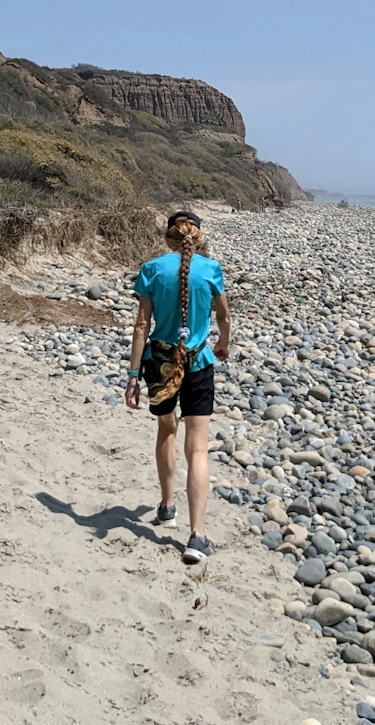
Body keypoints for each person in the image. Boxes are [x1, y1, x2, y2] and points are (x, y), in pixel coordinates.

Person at [125, 210, 230, 564]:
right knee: (197, 449)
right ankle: (197, 536)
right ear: (197, 237)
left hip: (160, 364)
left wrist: (132, 375)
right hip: (198, 362)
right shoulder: (211, 269)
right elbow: (224, 317)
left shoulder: (152, 269)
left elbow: (142, 325)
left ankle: (168, 505)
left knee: (166, 430)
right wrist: (223, 344)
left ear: (168, 238)